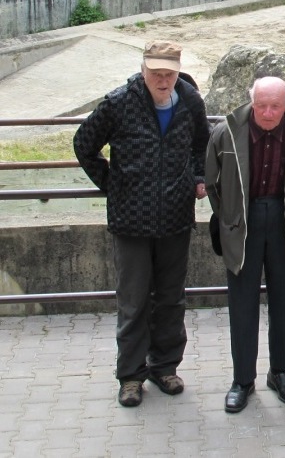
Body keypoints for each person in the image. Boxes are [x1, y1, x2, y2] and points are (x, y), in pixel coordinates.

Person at [73, 40, 209, 407]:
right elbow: (84, 144)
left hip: (176, 218)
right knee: (133, 302)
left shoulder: (191, 101)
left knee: (171, 299)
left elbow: (202, 145)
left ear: (178, 72)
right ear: (143, 69)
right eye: (156, 73)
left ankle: (165, 367)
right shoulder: (119, 102)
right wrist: (112, 183)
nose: (162, 81)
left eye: (169, 74)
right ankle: (131, 375)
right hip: (131, 220)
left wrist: (197, 177)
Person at [205, 76, 285, 413]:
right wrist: (230, 217)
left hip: (284, 220)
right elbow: (212, 182)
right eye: (261, 105)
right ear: (251, 102)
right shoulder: (226, 132)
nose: (267, 113)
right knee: (242, 301)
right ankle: (242, 379)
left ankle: (280, 372)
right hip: (243, 221)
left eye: (275, 106)